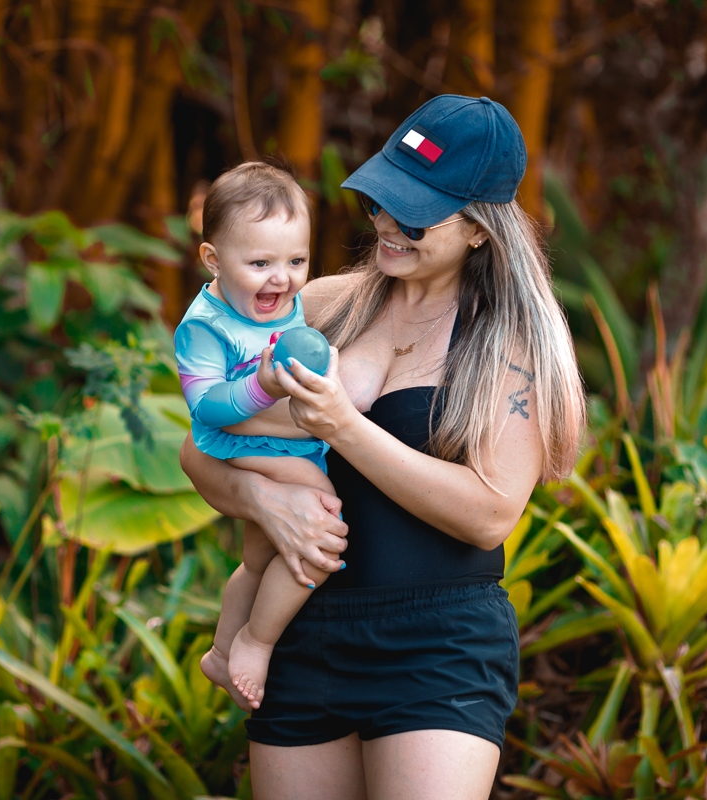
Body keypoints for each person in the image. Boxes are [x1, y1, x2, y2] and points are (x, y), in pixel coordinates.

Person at [179, 95, 585, 800]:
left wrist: (343, 427)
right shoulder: (325, 305)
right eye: (380, 202)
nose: (389, 227)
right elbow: (198, 445)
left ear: (481, 231)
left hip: (438, 647)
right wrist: (264, 503)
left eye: (417, 216)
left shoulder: (507, 346)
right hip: (305, 630)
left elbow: (489, 514)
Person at [173, 162, 341, 711]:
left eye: (297, 261)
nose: (283, 278)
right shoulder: (206, 326)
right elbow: (206, 407)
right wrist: (265, 387)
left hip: (286, 442)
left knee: (259, 561)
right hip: (246, 446)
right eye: (261, 263)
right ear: (213, 260)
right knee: (323, 527)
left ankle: (222, 650)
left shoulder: (290, 303)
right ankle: (256, 640)